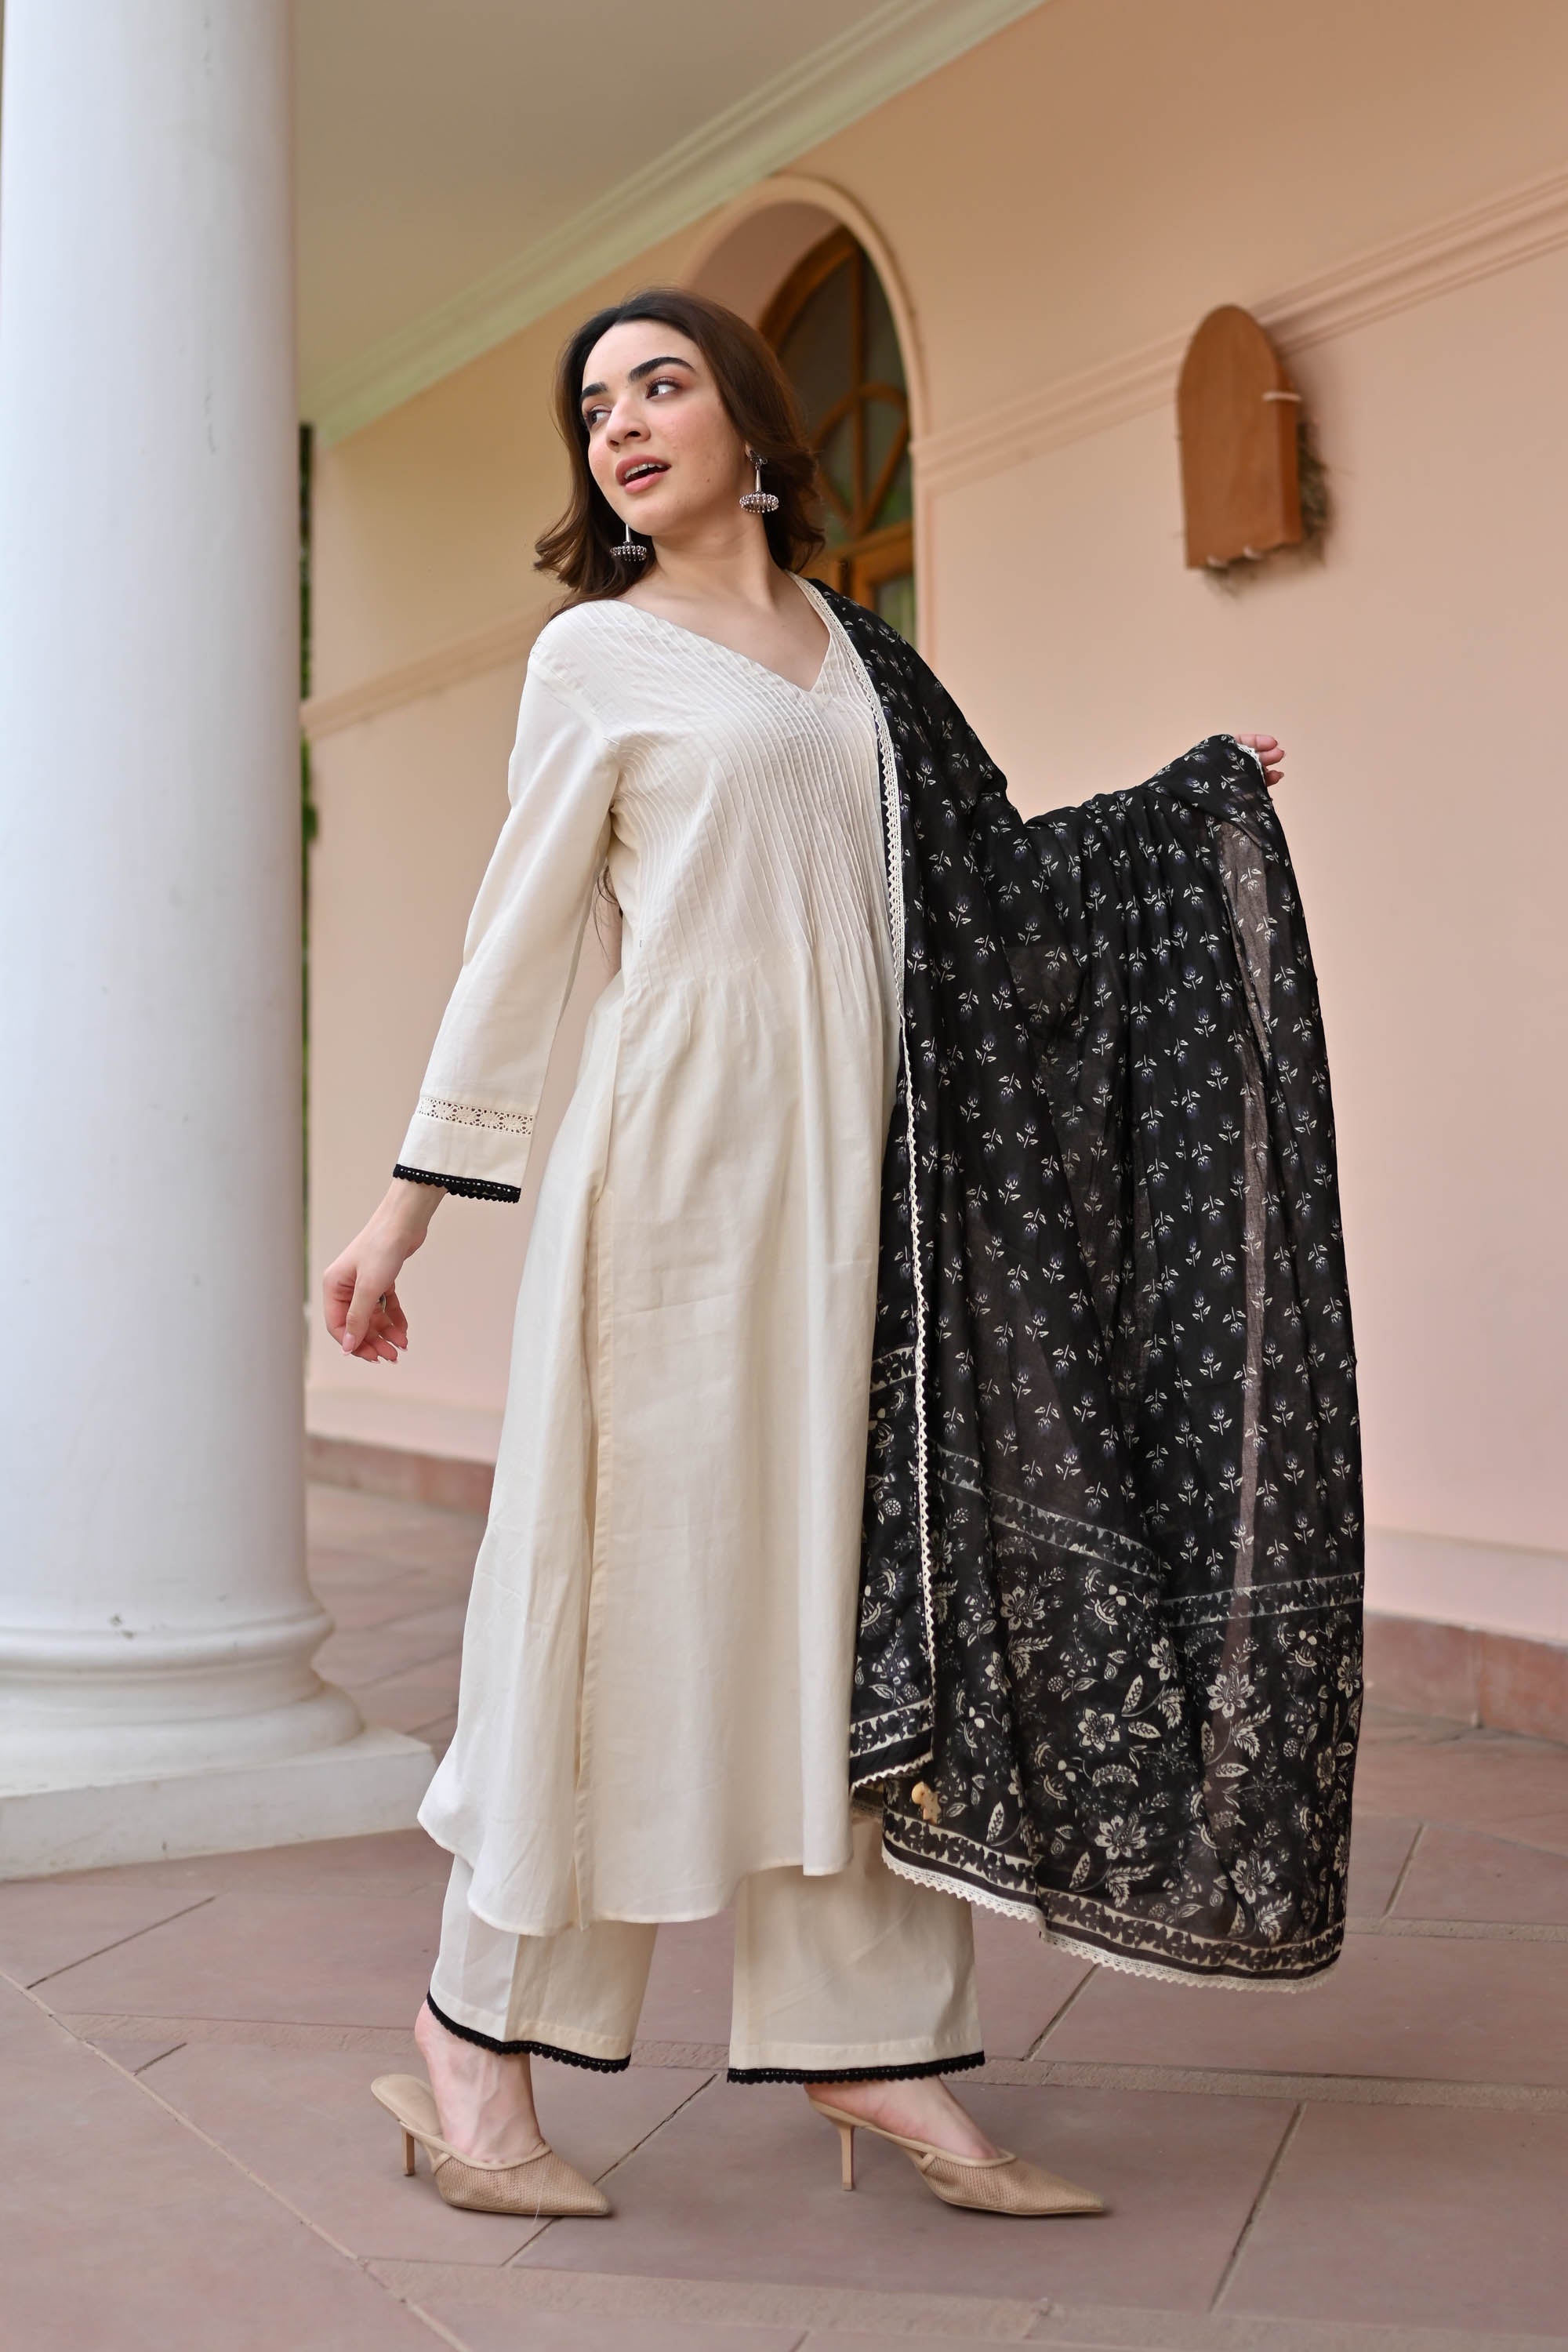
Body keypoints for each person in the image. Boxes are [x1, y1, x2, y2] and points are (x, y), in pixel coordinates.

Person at [321, 289, 1290, 2223]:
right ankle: (474, 2037)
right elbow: (518, 939)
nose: (620, 424)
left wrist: (1180, 822)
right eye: (595, 405)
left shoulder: (865, 659)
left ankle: (871, 2041)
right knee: (619, 1599)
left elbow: (992, 892)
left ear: (753, 424)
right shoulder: (595, 654)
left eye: (660, 385)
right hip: (677, 1189)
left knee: (857, 1599)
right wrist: (407, 1203)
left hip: (875, 1199)